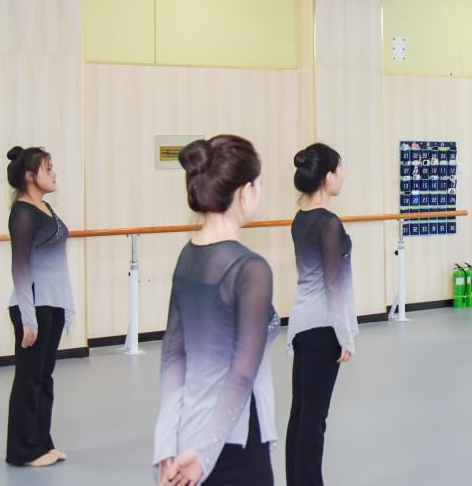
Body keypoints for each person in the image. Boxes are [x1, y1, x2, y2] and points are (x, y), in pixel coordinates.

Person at [154, 135, 279, 486]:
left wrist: (166, 443)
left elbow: (172, 355)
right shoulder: (250, 269)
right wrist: (206, 453)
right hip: (233, 432)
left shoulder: (187, 256)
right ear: (244, 192)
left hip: (190, 429)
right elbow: (241, 373)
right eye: (259, 185)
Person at [286, 143, 359, 486]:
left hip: (303, 323)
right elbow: (334, 284)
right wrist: (345, 335)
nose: (342, 175)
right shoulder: (329, 223)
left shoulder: (300, 219)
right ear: (328, 177)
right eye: (340, 169)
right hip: (323, 328)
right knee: (314, 420)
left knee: (301, 414)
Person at [5, 147, 73, 468]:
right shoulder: (22, 212)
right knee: (29, 379)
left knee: (44, 377)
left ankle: (42, 443)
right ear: (30, 176)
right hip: (33, 305)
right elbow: (20, 268)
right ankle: (23, 451)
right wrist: (28, 319)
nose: (54, 173)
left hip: (51, 303)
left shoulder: (44, 207)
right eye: (48, 168)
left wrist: (66, 306)